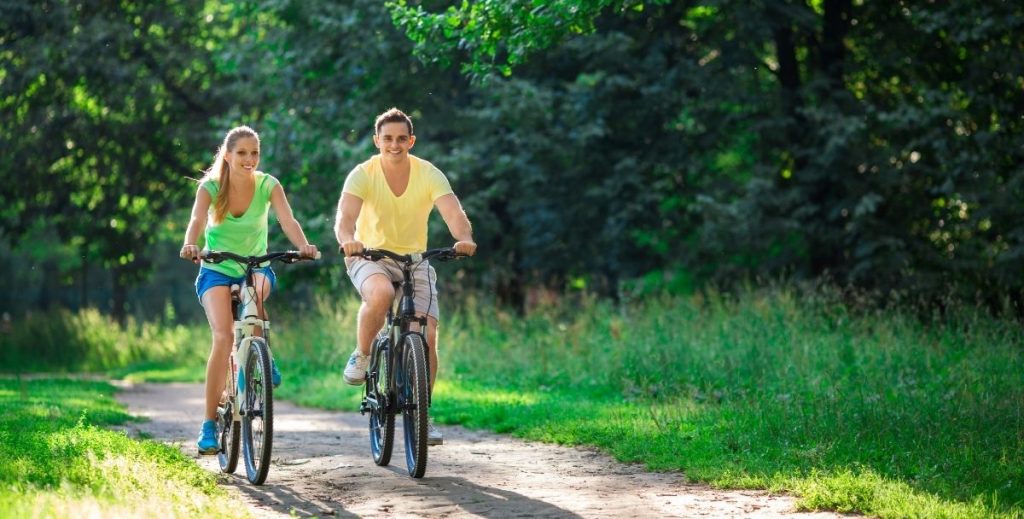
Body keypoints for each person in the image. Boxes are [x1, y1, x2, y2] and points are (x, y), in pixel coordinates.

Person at [335, 107, 476, 446]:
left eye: (401, 139)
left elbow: (453, 212)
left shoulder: (428, 173)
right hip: (369, 256)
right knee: (381, 294)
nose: (394, 145)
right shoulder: (362, 173)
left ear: (411, 140)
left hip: (415, 260)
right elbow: (344, 217)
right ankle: (363, 353)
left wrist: (465, 239)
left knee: (426, 332)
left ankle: (423, 415)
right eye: (387, 139)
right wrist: (348, 240)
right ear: (377, 141)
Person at [180, 125, 318, 455]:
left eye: (254, 152)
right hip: (215, 268)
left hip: (256, 267)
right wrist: (190, 243)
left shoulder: (269, 185)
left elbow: (288, 221)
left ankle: (261, 355)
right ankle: (209, 424)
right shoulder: (210, 187)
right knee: (224, 337)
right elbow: (197, 220)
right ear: (227, 156)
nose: (249, 159)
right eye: (242, 153)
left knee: (253, 296)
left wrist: (303, 246)